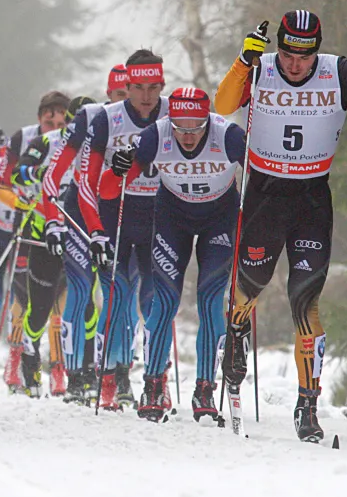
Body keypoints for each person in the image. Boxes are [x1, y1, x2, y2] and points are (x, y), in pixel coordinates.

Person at [214, 11, 347, 441]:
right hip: (263, 194)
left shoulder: (339, 72)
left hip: (312, 198)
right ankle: (237, 328)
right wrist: (244, 60)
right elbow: (222, 106)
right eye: (289, 54)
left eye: (305, 55)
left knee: (306, 300)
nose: (296, 64)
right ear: (278, 46)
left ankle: (307, 405)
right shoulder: (259, 69)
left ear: (317, 49)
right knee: (251, 284)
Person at [97, 87, 244, 422]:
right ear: (170, 120)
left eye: (195, 128)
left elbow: (261, 176)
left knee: (209, 299)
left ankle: (205, 388)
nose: (187, 136)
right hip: (171, 220)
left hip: (218, 220)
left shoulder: (228, 135)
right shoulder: (154, 136)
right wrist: (118, 169)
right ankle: (153, 384)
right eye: (180, 127)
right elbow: (107, 191)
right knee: (164, 300)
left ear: (208, 120)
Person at [76, 51, 168, 410]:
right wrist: (96, 231)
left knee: (157, 300)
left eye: (154, 88)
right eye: (137, 88)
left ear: (162, 85)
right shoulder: (107, 119)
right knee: (117, 297)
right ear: (125, 87)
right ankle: (111, 376)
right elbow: (86, 181)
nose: (146, 96)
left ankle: (157, 378)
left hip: (160, 216)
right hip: (115, 214)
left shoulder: (173, 115)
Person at [41, 66, 130, 404]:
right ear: (111, 94)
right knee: (80, 290)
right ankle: (76, 373)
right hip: (80, 208)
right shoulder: (96, 118)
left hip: (120, 212)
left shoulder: (151, 120)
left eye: (130, 93)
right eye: (120, 94)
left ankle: (118, 372)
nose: (128, 101)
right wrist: (53, 221)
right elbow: (55, 172)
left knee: (119, 293)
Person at [0, 90, 72, 393]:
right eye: (47, 118)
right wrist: (23, 203)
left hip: (63, 223)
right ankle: (15, 360)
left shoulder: (72, 141)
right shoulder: (24, 138)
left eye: (59, 118)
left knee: (60, 299)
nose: (52, 123)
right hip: (28, 222)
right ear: (39, 117)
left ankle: (57, 368)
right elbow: (3, 185)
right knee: (23, 296)